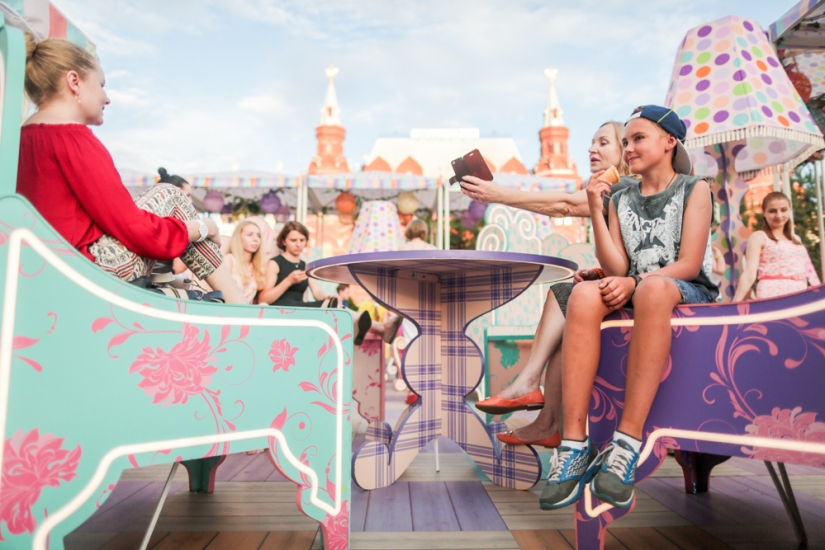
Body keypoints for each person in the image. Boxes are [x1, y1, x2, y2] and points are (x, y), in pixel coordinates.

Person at [540, 106, 716, 510]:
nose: (628, 147)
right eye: (626, 141)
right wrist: (594, 206)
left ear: (669, 141)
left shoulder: (695, 188)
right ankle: (573, 443)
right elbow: (617, 265)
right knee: (583, 293)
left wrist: (636, 281)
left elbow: (690, 263)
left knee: (654, 289)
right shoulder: (620, 196)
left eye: (638, 138)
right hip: (633, 284)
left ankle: (626, 443)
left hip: (681, 288)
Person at [16, 36, 246, 304]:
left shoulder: (21, 138)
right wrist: (205, 227)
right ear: (74, 81)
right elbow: (135, 229)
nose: (107, 98)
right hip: (85, 269)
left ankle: (237, 303)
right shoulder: (72, 139)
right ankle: (241, 306)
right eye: (101, 84)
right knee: (170, 194)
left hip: (43, 268)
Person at [464, 121, 636, 448]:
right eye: (591, 142)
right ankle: (546, 420)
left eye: (604, 142)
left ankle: (531, 386)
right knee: (564, 302)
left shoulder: (624, 187)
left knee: (565, 296)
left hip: (637, 292)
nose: (592, 149)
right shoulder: (612, 190)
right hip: (621, 287)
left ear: (625, 151)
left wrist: (497, 194)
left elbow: (565, 205)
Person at [259, 221, 402, 344]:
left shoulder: (305, 264)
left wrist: (328, 297)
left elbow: (317, 292)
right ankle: (377, 328)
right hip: (281, 310)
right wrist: (288, 281)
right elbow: (263, 299)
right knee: (332, 308)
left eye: (302, 240)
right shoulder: (275, 263)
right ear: (283, 241)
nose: (298, 244)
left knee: (333, 304)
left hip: (300, 308)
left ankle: (374, 328)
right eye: (293, 240)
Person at [733, 192, 820, 301]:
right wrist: (735, 304)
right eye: (772, 211)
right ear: (763, 212)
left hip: (800, 294)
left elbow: (804, 273)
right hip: (772, 295)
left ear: (789, 210)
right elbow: (749, 274)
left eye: (783, 210)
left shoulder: (796, 239)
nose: (779, 215)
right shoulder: (759, 237)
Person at [223, 220, 267, 304]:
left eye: (258, 236)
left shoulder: (257, 266)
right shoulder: (229, 260)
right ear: (238, 237)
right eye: (249, 235)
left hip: (247, 312)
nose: (255, 239)